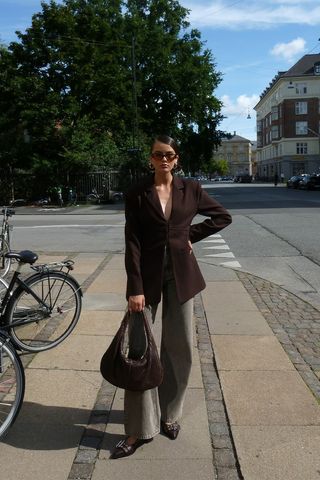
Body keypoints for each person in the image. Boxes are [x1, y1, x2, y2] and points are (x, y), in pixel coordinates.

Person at [111, 134, 232, 459]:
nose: (163, 160)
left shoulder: (190, 189)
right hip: (146, 280)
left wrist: (188, 235)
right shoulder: (138, 192)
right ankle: (138, 429)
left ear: (176, 159)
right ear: (150, 158)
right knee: (139, 351)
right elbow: (132, 240)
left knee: (180, 347)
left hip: (181, 275)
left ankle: (170, 414)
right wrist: (134, 287)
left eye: (168, 155)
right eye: (157, 155)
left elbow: (222, 217)